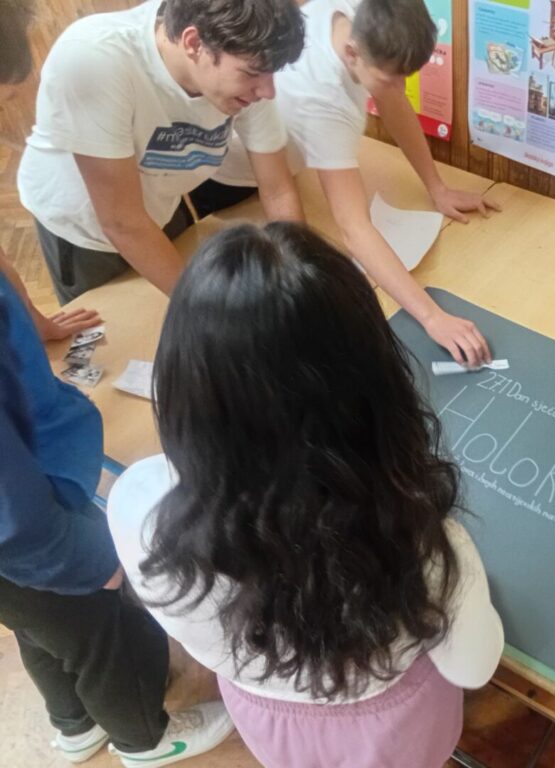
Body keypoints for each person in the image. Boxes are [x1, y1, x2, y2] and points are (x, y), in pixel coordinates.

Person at [107, 222, 505, 768]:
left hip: (270, 722)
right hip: (393, 734)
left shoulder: (136, 507)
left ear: (182, 383)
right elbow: (474, 667)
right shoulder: (424, 546)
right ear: (376, 389)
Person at [0, 3, 234, 764]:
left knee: (43, 630)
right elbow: (13, 517)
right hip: (32, 535)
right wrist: (86, 560)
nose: (12, 120)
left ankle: (74, 725)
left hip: (37, 490)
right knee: (104, 631)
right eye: (7, 98)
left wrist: (34, 321)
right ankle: (143, 738)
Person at [212, 0, 498, 367]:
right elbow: (353, 228)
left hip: (284, 159)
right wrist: (432, 317)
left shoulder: (364, 16)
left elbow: (392, 99)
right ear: (352, 53)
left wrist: (437, 187)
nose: (400, 86)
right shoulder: (324, 100)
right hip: (233, 181)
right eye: (390, 77)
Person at [17, 0, 307, 304]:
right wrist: (206, 310)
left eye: (272, 73)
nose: (268, 92)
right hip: (86, 230)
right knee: (128, 320)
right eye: (251, 73)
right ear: (193, 43)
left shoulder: (244, 61)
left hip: (159, 201)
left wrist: (297, 275)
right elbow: (120, 221)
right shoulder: (95, 59)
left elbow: (277, 188)